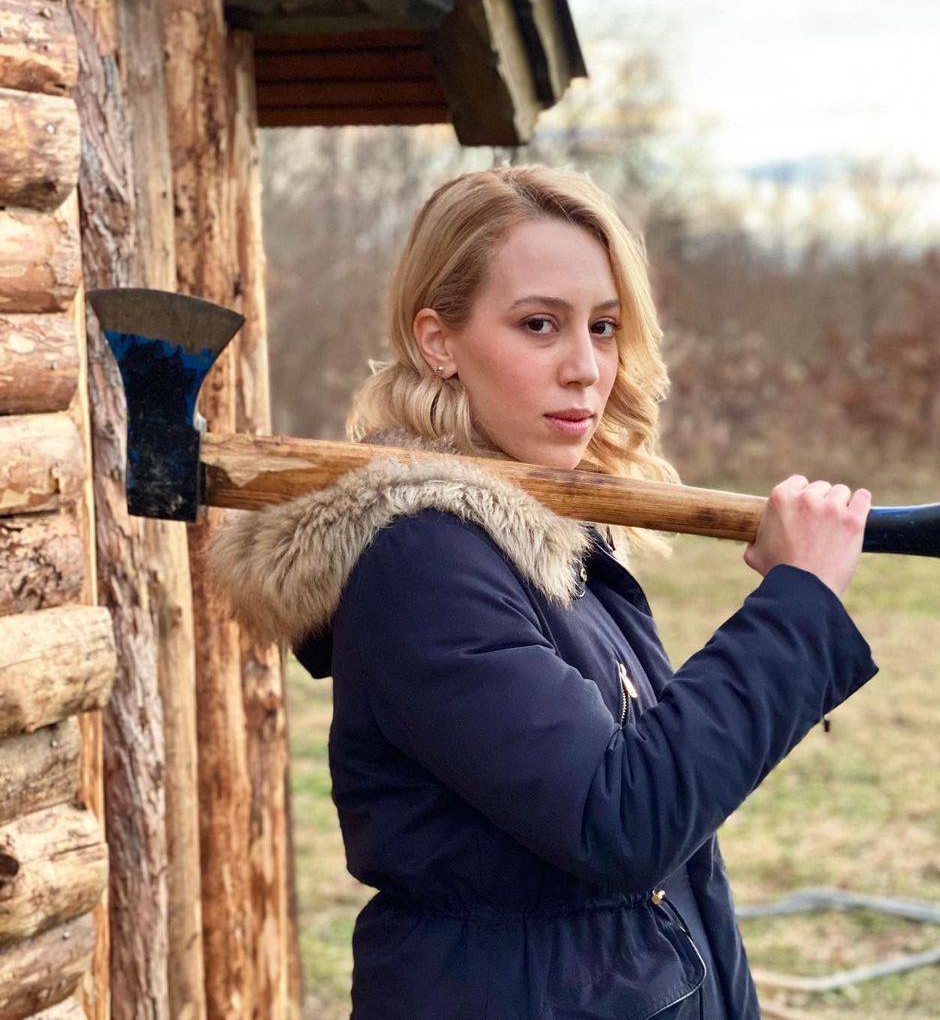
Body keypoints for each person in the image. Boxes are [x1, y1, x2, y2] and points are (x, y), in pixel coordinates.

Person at [207, 164, 878, 1018]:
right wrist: (796, 607)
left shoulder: (548, 543)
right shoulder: (424, 562)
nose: (586, 369)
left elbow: (682, 851)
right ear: (436, 342)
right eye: (538, 325)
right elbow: (623, 817)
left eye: (603, 327)